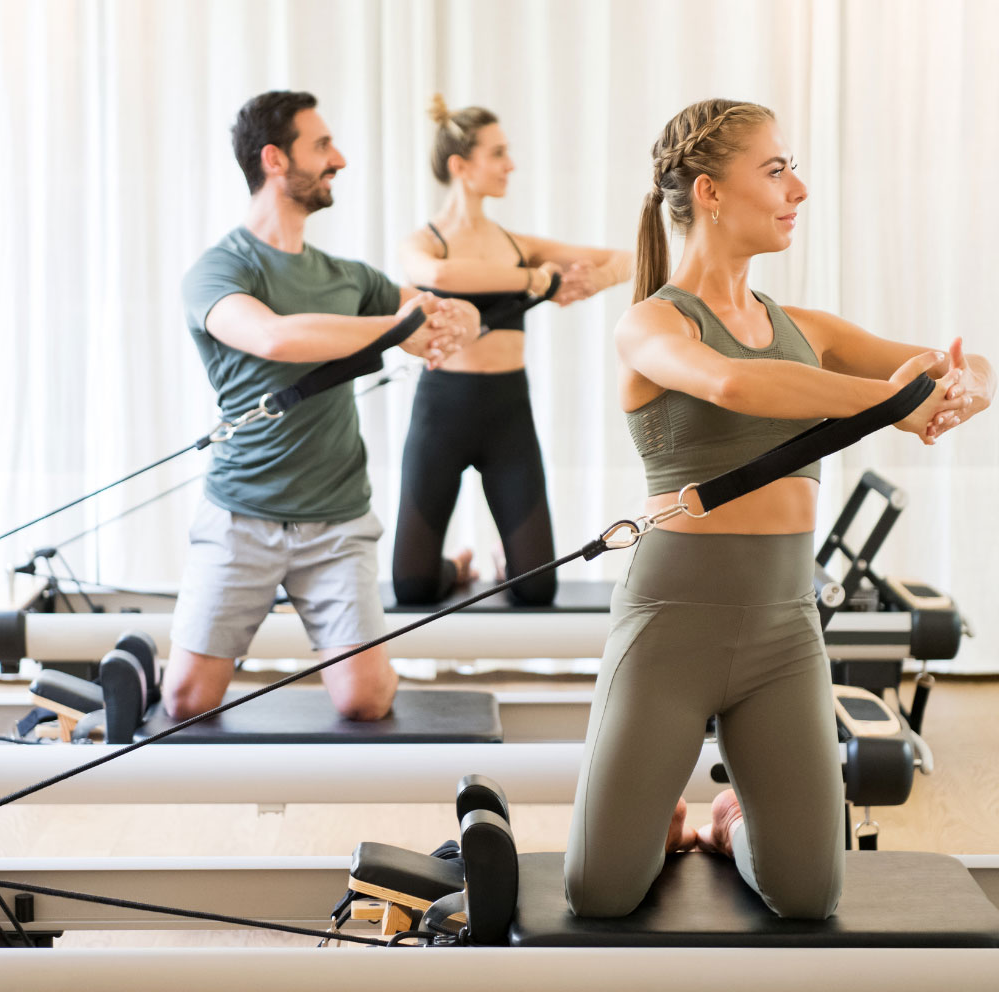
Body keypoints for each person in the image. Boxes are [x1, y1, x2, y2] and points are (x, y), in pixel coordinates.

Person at [564, 98, 992, 918]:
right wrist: (890, 402)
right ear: (710, 192)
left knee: (808, 894)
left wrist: (966, 387)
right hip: (670, 627)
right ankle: (665, 821)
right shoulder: (650, 324)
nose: (798, 188)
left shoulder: (807, 330)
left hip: (784, 631)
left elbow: (955, 366)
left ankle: (726, 823)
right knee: (600, 891)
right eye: (776, 169)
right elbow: (732, 383)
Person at [163, 90, 480, 723]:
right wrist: (399, 328)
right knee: (185, 700)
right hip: (241, 517)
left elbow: (448, 311)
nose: (340, 159)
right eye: (323, 145)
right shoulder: (218, 270)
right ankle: (146, 666)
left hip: (337, 522)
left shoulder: (348, 277)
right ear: (274, 159)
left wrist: (456, 320)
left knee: (364, 700)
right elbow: (273, 338)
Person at [392, 95, 632, 606]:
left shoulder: (519, 244)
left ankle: (505, 561)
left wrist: (594, 280)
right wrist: (535, 280)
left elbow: (627, 258)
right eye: (498, 153)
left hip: (508, 415)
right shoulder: (425, 243)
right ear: (460, 166)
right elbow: (439, 275)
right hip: (440, 414)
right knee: (412, 588)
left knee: (536, 588)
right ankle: (458, 565)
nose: (511, 165)